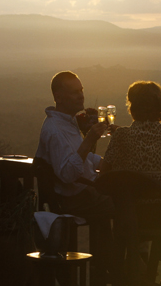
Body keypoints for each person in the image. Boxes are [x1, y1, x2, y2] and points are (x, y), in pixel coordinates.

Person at [34, 70, 112, 220]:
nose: (81, 95)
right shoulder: (55, 131)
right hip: (78, 199)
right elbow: (68, 175)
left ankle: (107, 242)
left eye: (81, 90)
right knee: (128, 201)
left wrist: (102, 162)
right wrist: (89, 140)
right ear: (59, 98)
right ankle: (122, 243)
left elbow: (76, 155)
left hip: (88, 191)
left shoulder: (66, 122)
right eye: (74, 92)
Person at [100, 80, 161, 195]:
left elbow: (104, 173)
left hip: (134, 206)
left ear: (133, 107)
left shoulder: (122, 135)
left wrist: (121, 135)